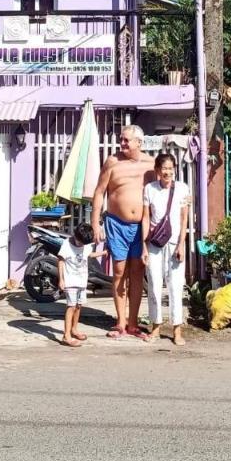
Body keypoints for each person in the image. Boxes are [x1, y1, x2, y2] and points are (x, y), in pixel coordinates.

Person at [91, 124, 154, 339]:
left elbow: (162, 192)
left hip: (140, 227)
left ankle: (133, 323)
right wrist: (95, 223)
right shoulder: (112, 162)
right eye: (121, 139)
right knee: (119, 272)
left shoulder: (151, 164)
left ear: (139, 142)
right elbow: (99, 193)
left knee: (137, 273)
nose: (122, 143)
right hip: (116, 224)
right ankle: (120, 322)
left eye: (127, 140)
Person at [142, 153, 191, 345]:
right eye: (164, 168)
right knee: (154, 285)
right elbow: (146, 218)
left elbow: (184, 218)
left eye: (171, 168)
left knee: (176, 286)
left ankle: (177, 330)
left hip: (174, 244)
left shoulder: (182, 189)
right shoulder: (149, 189)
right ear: (157, 171)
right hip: (154, 243)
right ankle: (155, 327)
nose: (168, 172)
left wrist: (181, 244)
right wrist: (144, 246)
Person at [57, 223, 105, 347]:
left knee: (78, 306)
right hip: (70, 281)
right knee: (71, 307)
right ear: (75, 236)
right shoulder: (67, 244)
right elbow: (61, 261)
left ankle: (74, 329)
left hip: (82, 281)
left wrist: (103, 253)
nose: (82, 246)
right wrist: (61, 280)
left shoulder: (86, 244)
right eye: (80, 243)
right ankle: (66, 336)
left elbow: (89, 255)